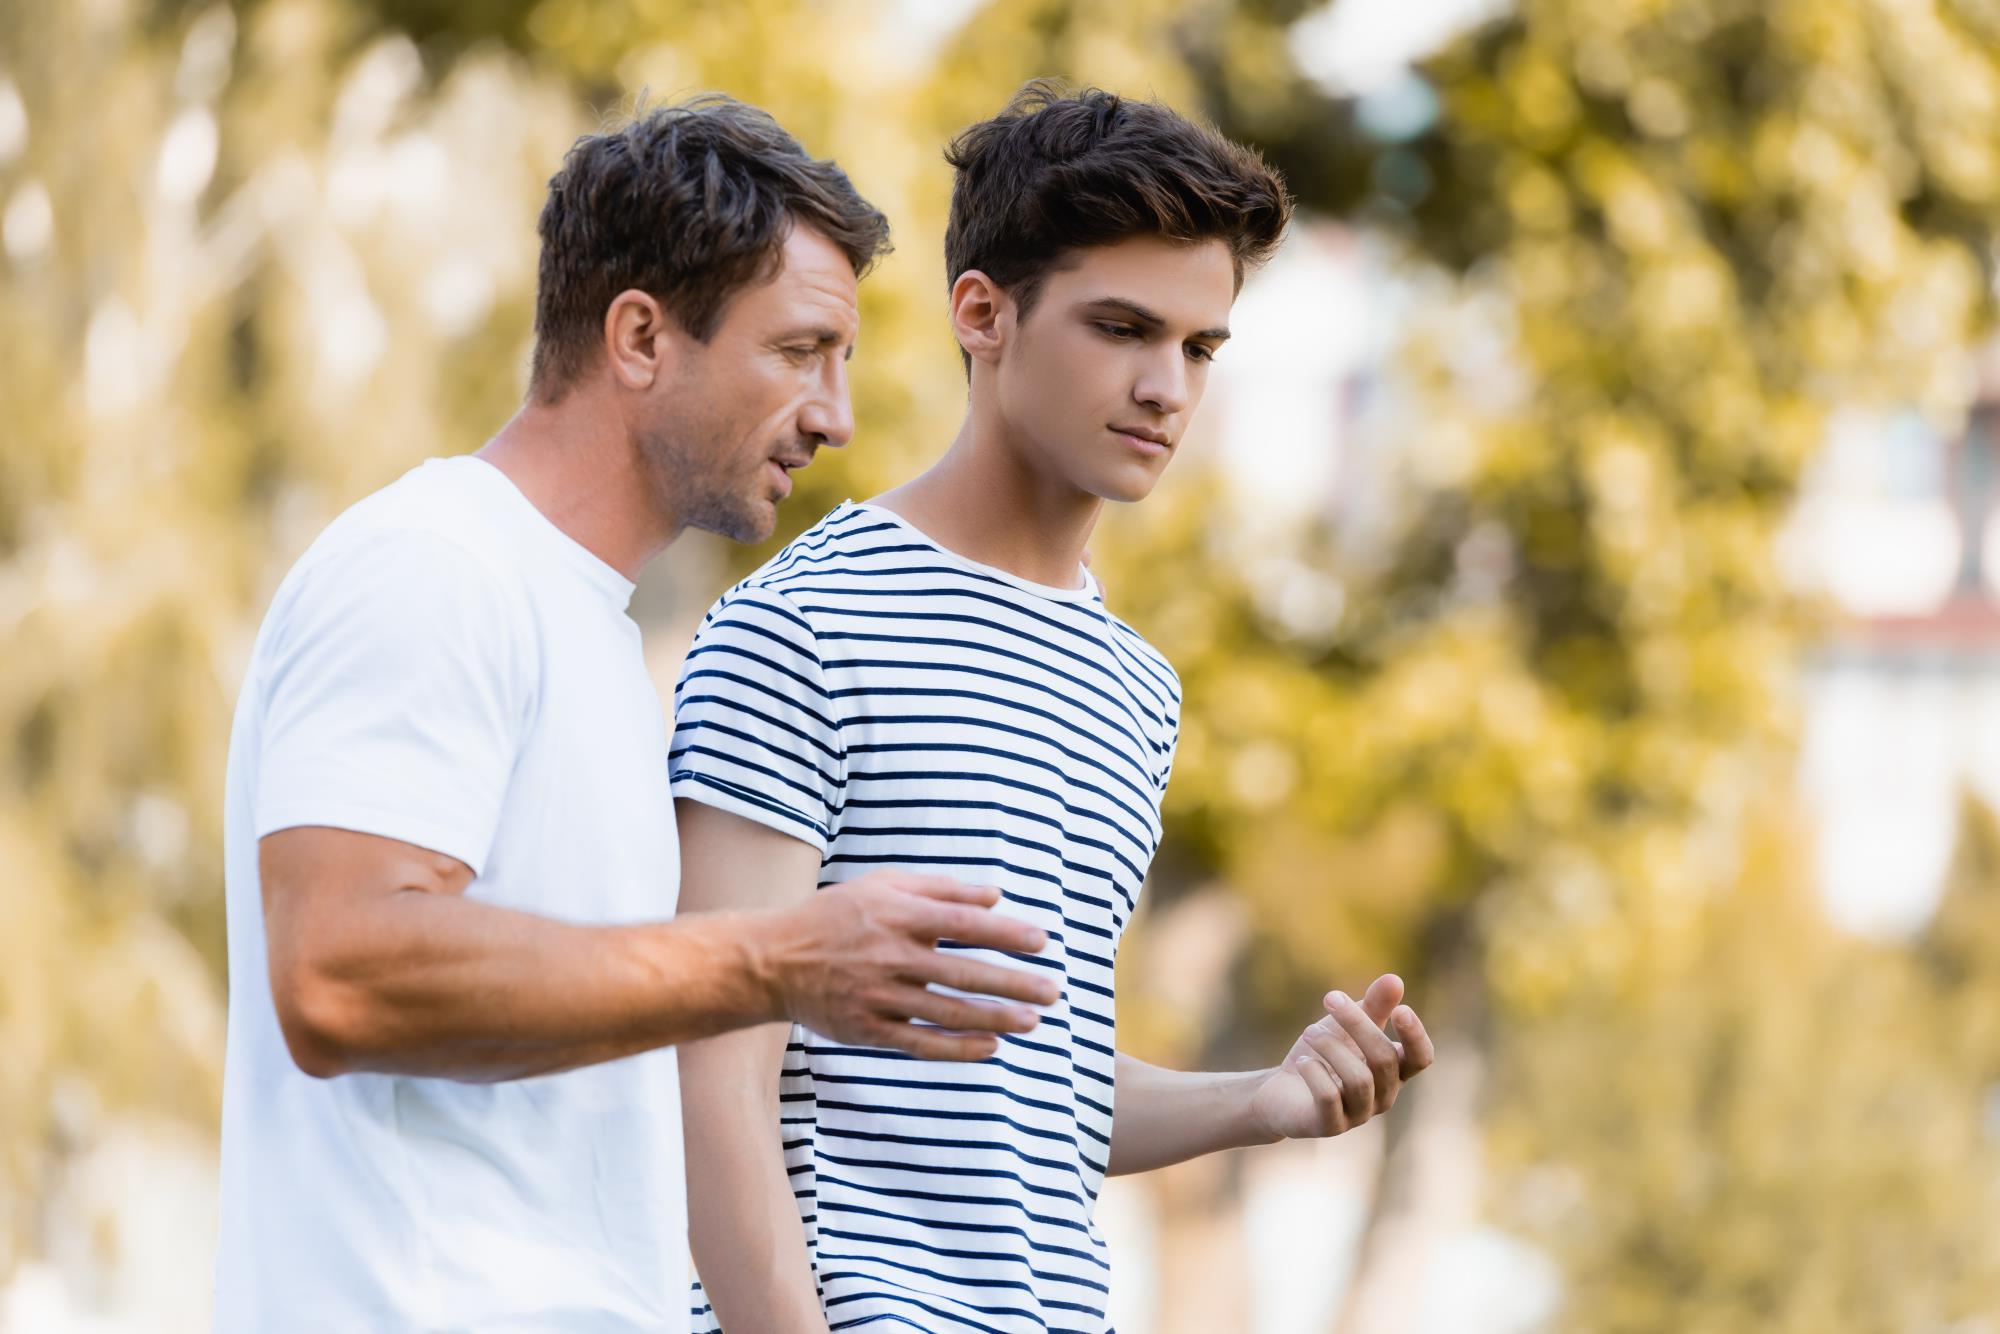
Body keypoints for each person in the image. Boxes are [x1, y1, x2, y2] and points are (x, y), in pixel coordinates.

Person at [213, 95, 1061, 1333]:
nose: (835, 414)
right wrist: (776, 958)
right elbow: (338, 969)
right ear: (639, 338)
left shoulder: (595, 638)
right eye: (798, 351)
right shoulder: (433, 565)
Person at [672, 82, 1439, 1334]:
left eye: (1197, 347)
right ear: (983, 313)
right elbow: (711, 1072)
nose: (1165, 388)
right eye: (1121, 327)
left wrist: (1263, 1099)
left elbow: (1040, 1091)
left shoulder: (1133, 686)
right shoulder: (803, 623)